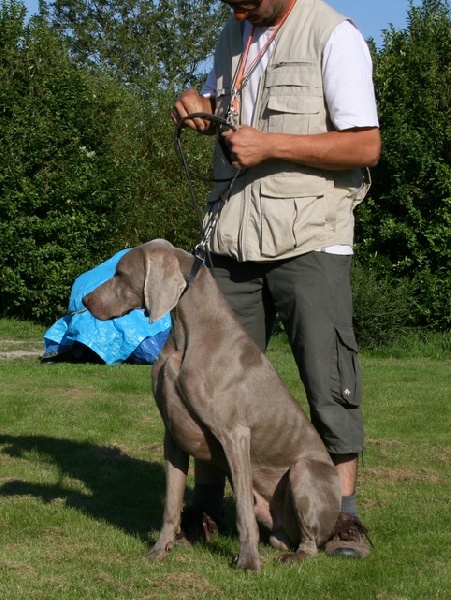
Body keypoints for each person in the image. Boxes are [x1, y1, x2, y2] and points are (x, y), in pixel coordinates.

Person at [171, 0, 381, 559]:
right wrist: (202, 110)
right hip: (232, 237)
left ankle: (342, 518)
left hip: (310, 235)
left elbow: (365, 145)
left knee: (326, 374)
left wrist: (270, 145)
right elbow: (230, 108)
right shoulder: (232, 33)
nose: (235, 6)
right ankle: (210, 508)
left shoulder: (333, 35)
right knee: (209, 379)